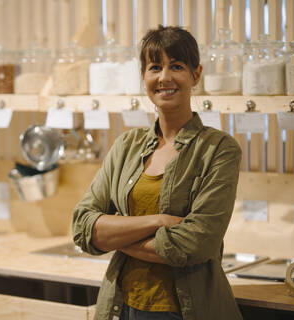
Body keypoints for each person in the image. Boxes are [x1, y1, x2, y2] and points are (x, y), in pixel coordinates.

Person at [72, 25, 243, 320]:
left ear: (196, 74)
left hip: (187, 310)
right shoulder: (126, 146)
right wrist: (159, 221)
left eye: (176, 66)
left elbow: (195, 245)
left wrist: (114, 236)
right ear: (144, 77)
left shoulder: (219, 149)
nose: (164, 77)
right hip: (120, 307)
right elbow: (83, 227)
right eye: (155, 67)